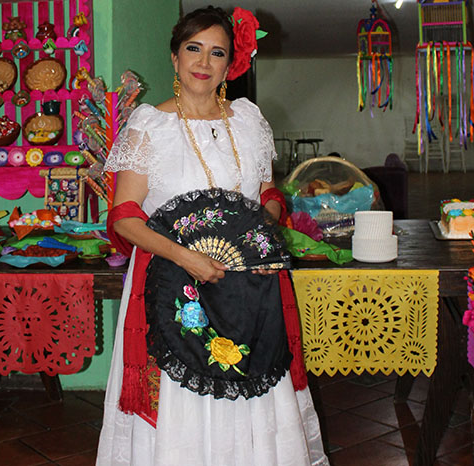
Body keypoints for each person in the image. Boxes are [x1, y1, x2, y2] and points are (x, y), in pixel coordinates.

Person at [96, 6, 329, 466]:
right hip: (172, 286)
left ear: (229, 64)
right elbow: (124, 218)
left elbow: (268, 193)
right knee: (183, 398)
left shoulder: (248, 121)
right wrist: (187, 258)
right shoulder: (149, 126)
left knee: (252, 384)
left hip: (248, 288)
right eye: (193, 48)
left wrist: (262, 227)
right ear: (175, 57)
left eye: (217, 52)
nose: (203, 62)